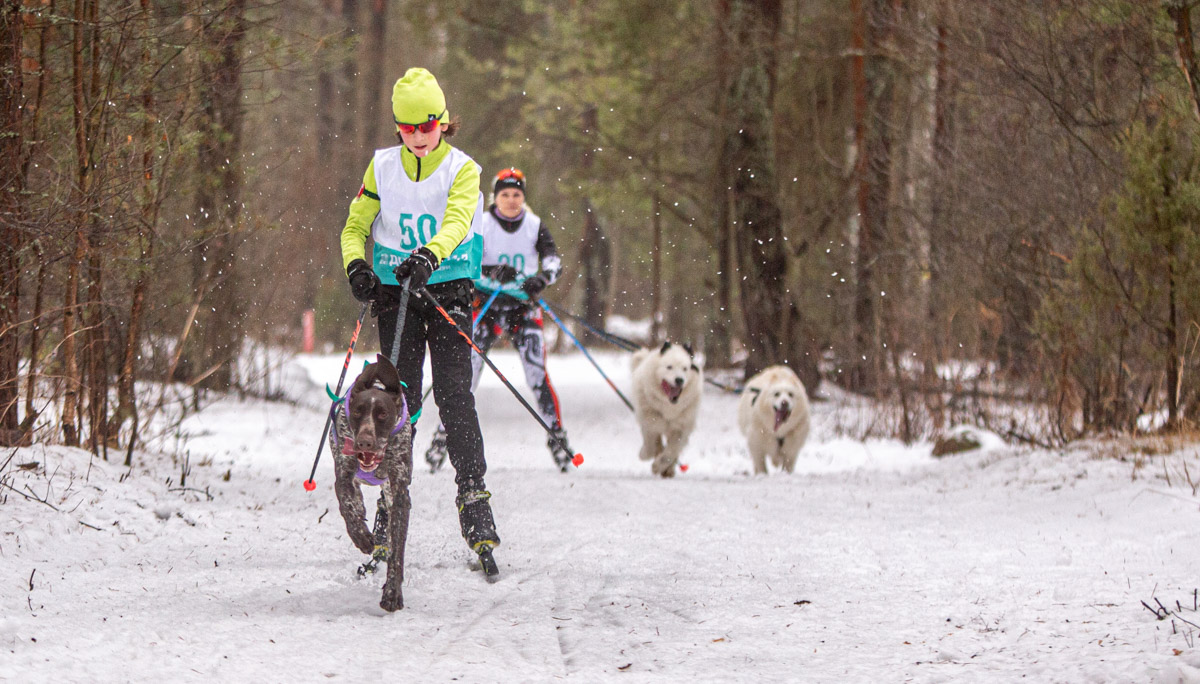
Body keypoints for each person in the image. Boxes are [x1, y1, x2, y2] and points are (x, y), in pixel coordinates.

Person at [340, 67, 500, 568]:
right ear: (397, 128)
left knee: (454, 395)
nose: (417, 138)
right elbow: (354, 226)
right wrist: (357, 266)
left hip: (447, 291)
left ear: (443, 122)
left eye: (426, 127)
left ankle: (474, 500)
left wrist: (430, 255)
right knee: (397, 402)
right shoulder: (381, 167)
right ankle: (389, 507)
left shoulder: (464, 170)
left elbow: (456, 221)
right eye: (407, 129)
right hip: (397, 298)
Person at [425, 167, 575, 472]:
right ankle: (443, 436)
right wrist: (491, 271)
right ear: (495, 197)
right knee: (468, 373)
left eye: (516, 194)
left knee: (536, 373)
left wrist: (539, 278)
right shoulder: (482, 223)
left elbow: (553, 261)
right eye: (505, 194)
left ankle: (557, 437)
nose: (511, 200)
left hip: (522, 308)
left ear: (523, 196)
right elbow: (464, 259)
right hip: (486, 306)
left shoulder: (534, 225)